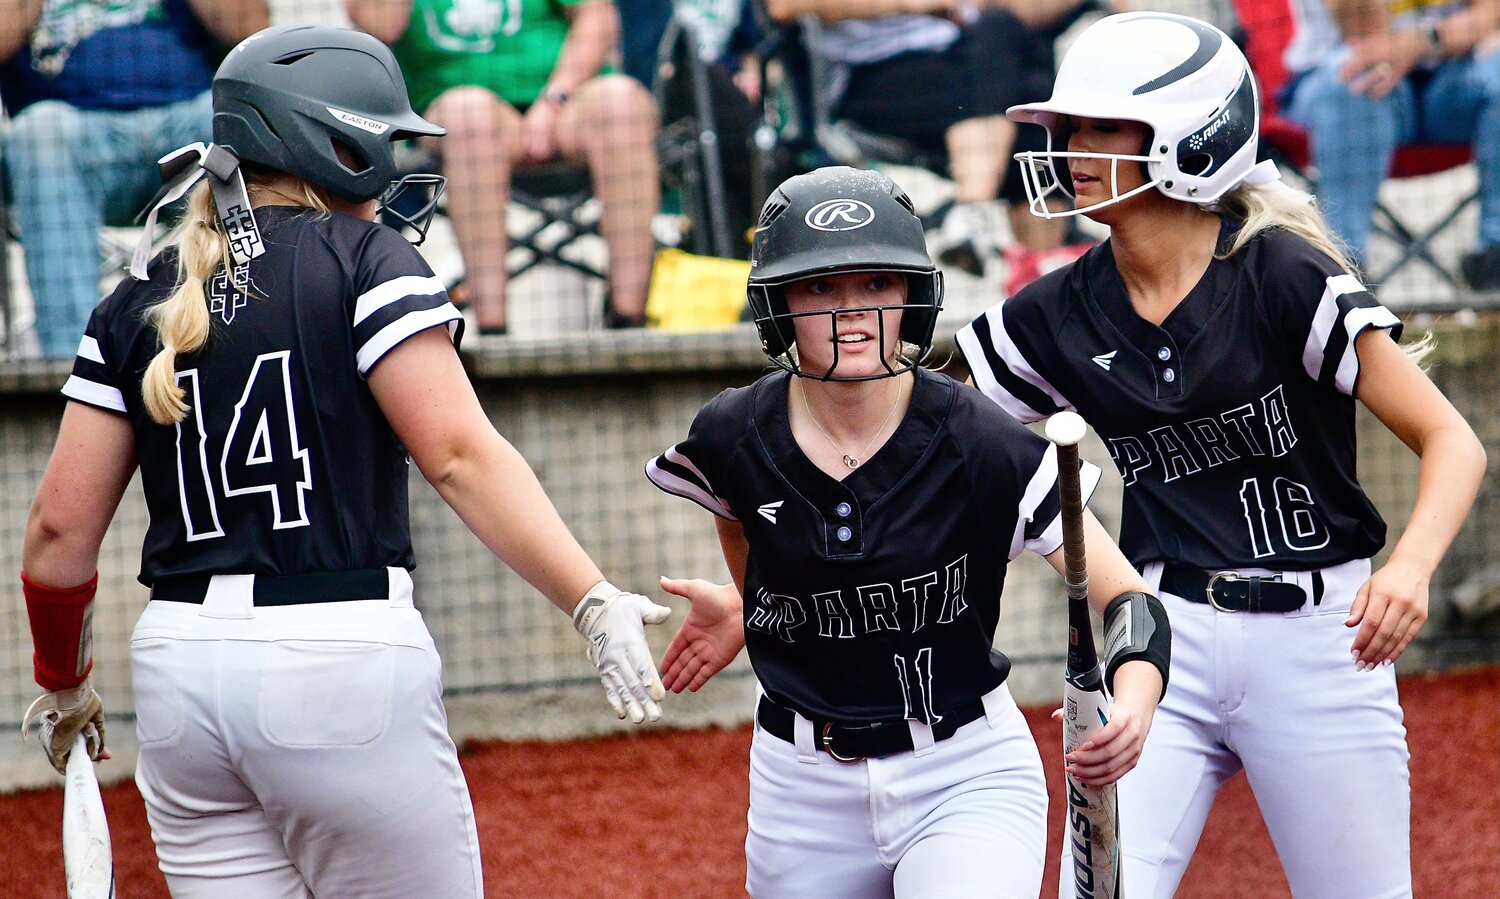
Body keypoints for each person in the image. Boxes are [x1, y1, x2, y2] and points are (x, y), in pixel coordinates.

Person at [18, 25, 670, 898]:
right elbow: (459, 456)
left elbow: (58, 535)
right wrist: (590, 599)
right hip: (339, 659)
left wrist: (63, 686)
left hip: (178, 676)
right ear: (335, 141)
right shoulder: (368, 259)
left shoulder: (139, 293)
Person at [957, 12, 1486, 897]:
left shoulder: (1282, 273)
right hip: (1162, 640)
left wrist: (1413, 566)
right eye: (1068, 128)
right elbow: (939, 436)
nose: (1071, 148)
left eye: (1099, 126)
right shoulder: (1054, 310)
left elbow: (1452, 439)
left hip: (1325, 637)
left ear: (1191, 137)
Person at [645, 165, 1171, 897]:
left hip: (962, 770)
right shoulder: (733, 432)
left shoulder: (982, 441)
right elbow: (740, 523)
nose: (850, 311)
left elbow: (1127, 600)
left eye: (875, 284)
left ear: (911, 297)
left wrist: (1134, 701)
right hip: (799, 785)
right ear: (777, 305)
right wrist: (752, 604)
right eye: (818, 287)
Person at [345, 0, 661, 333]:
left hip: (566, 103)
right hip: (457, 112)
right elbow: (382, 24)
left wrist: (555, 99)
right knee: (471, 116)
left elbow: (597, 16)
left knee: (622, 102)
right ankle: (494, 331)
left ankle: (628, 321)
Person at [764, 0, 1097, 291]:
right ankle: (1032, 267)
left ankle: (1029, 271)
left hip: (964, 63)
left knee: (1030, 96)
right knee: (1025, 97)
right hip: (869, 80)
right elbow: (782, 6)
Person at [0, 0, 268, 359]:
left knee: (234, 119)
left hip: (188, 123)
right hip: (73, 135)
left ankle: (259, 340)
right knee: (39, 133)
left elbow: (251, 31)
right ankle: (74, 366)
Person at [1279, 0, 1500, 288]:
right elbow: (1364, 30)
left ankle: (1493, 256)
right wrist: (1434, 38)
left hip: (1448, 83)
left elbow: (1489, 17)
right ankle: (1342, 271)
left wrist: (1422, 41)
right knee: (1356, 73)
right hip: (1347, 84)